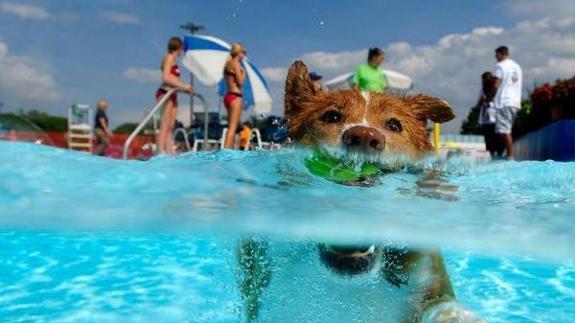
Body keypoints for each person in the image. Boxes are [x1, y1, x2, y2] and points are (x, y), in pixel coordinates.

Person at [156, 36, 193, 155]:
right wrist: (183, 86)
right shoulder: (169, 57)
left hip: (173, 94)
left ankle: (169, 152)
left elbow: (174, 80)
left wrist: (185, 88)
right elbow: (166, 77)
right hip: (166, 92)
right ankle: (160, 153)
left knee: (171, 126)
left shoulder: (174, 60)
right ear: (179, 47)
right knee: (165, 125)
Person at [493, 46, 522, 160]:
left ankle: (510, 156)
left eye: (496, 55)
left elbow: (496, 84)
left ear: (501, 54)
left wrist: (490, 95)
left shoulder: (501, 65)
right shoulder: (517, 66)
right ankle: (507, 154)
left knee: (504, 131)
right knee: (506, 130)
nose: (495, 57)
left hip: (504, 100)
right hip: (515, 101)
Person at [222, 43, 247, 149]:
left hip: (228, 96)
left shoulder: (228, 63)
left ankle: (228, 150)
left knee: (231, 128)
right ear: (238, 52)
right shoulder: (236, 64)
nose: (245, 55)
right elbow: (240, 82)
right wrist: (243, 73)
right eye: (244, 52)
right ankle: (227, 153)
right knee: (233, 128)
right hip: (235, 97)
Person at [476, 72, 503, 159]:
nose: (482, 82)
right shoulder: (482, 90)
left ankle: (499, 155)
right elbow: (478, 105)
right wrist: (482, 99)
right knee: (489, 139)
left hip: (495, 117)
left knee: (497, 138)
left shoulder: (497, 89)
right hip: (486, 119)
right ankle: (493, 156)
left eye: (483, 80)